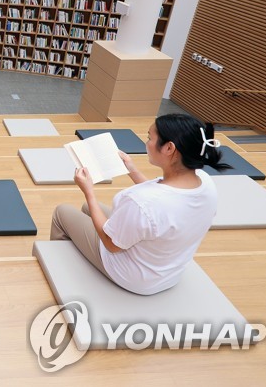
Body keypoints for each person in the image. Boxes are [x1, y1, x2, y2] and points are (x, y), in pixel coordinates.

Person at [50, 114, 231, 295]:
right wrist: (132, 170)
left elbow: (111, 244)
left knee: (62, 212)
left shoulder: (140, 202)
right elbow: (161, 201)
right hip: (169, 272)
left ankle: (58, 269)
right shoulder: (204, 181)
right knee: (88, 209)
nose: (146, 142)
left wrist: (88, 191)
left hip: (133, 277)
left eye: (149, 138)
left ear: (169, 148)